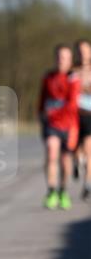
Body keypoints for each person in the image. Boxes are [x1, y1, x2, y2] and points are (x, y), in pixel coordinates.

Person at [38, 44, 80, 210]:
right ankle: (51, 191)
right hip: (51, 125)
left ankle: (63, 190)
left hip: (69, 125)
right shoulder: (48, 77)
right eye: (58, 57)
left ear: (70, 60)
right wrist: (42, 115)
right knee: (51, 151)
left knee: (65, 160)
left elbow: (72, 104)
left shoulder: (73, 78)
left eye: (64, 57)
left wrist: (53, 112)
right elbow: (42, 100)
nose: (61, 60)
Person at [73, 39, 91, 200]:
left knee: (89, 147)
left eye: (85, 50)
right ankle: (78, 162)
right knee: (75, 148)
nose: (82, 53)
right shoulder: (73, 70)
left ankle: (87, 184)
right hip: (74, 114)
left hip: (89, 114)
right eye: (80, 50)